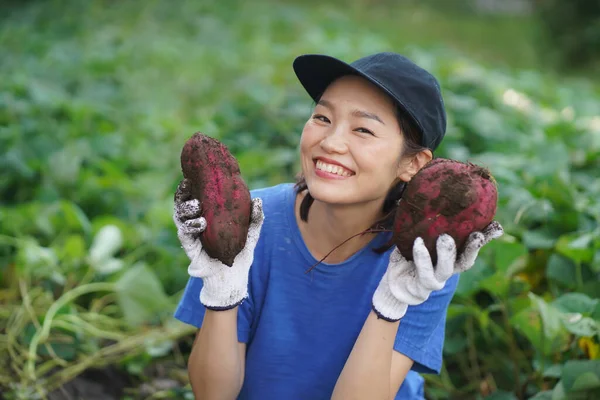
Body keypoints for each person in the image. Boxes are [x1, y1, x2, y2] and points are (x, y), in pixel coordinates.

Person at [172, 52, 504, 400]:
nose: (330, 142)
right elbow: (212, 396)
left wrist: (392, 303)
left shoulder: (423, 261)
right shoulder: (253, 222)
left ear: (411, 163)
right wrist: (221, 292)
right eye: (322, 117)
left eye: (363, 129)